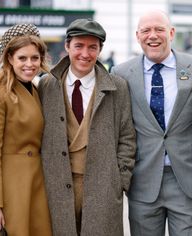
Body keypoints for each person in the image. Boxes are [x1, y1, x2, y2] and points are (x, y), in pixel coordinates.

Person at [38, 18, 136, 236]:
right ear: (67, 46)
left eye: (93, 47)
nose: (85, 53)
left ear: (100, 50)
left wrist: (119, 180)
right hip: (55, 184)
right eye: (78, 46)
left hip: (104, 187)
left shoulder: (117, 87)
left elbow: (127, 137)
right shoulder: (47, 84)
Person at [111, 10, 192, 236]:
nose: (152, 35)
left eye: (159, 29)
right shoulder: (122, 73)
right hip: (143, 180)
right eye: (146, 30)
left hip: (186, 180)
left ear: (171, 33)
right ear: (138, 36)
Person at [0, 24, 52, 236]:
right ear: (9, 59)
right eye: (22, 58)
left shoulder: (33, 88)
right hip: (7, 190)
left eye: (35, 58)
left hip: (33, 186)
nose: (30, 64)